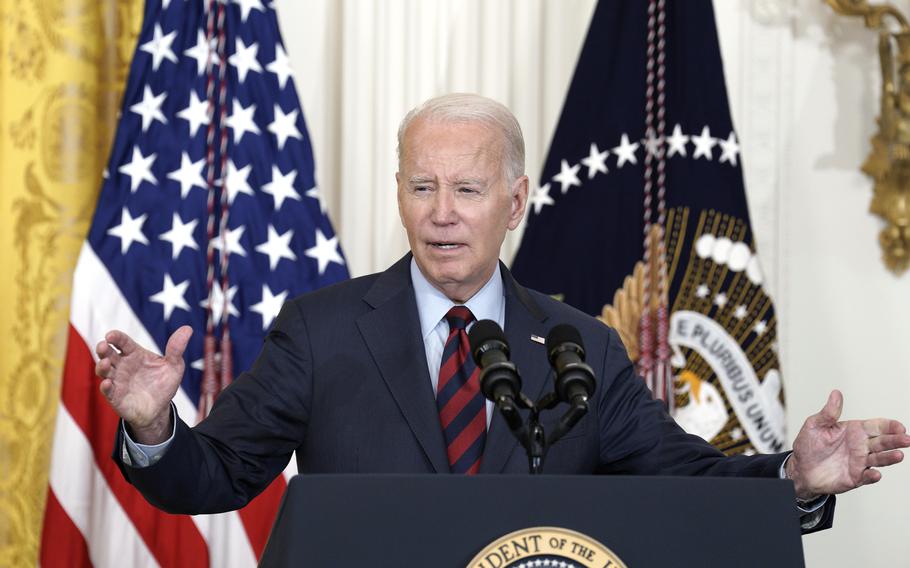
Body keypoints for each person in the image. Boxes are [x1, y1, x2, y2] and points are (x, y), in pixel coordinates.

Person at [96, 93, 910, 533]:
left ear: (515, 201)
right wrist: (154, 427)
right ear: (401, 196)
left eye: (468, 189)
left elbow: (686, 481)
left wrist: (792, 479)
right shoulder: (321, 330)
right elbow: (214, 477)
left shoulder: (579, 345)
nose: (441, 213)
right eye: (423, 186)